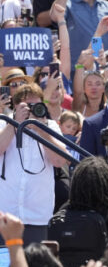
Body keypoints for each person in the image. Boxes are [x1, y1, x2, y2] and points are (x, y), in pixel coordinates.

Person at [0, 83, 68, 245]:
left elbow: (59, 161)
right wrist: (14, 123)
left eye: (35, 105)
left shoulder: (50, 127)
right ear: (16, 106)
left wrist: (40, 129)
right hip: (5, 216)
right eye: (26, 106)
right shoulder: (3, 124)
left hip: (37, 217)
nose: (31, 110)